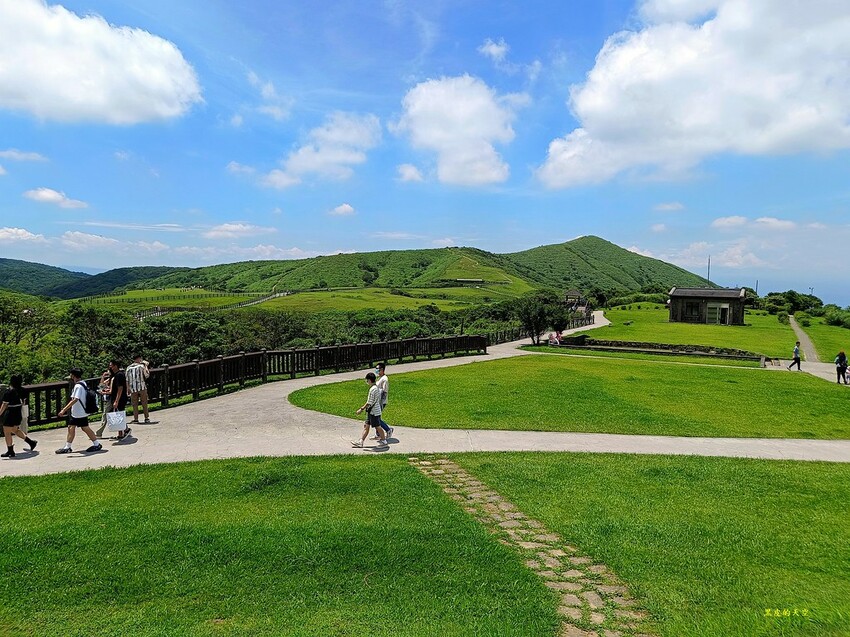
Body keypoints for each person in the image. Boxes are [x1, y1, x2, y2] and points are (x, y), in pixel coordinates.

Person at [56, 368, 102, 454]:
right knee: (73, 427)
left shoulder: (77, 386)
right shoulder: (83, 383)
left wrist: (64, 410)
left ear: (73, 376)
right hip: (79, 412)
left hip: (79, 413)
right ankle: (68, 446)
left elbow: (75, 399)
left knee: (83, 428)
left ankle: (96, 444)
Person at [1, 375, 38, 458]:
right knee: (15, 429)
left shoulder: (9, 392)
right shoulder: (23, 390)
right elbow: (24, 401)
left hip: (10, 412)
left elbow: (4, 405)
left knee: (7, 432)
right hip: (18, 412)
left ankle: (10, 451)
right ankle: (31, 442)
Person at [352, 372, 387, 448]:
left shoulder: (373, 389)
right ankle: (361, 442)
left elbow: (369, 402)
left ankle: (384, 441)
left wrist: (361, 409)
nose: (366, 382)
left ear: (369, 380)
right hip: (372, 411)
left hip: (373, 412)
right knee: (366, 426)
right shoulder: (376, 388)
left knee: (378, 426)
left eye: (367, 380)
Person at [108, 360, 131, 440]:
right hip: (117, 398)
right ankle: (120, 434)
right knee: (118, 415)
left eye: (111, 365)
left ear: (115, 366)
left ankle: (126, 429)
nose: (110, 366)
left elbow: (120, 388)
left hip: (120, 399)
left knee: (119, 415)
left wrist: (116, 401)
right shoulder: (116, 375)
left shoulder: (119, 375)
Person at [126, 355, 151, 424]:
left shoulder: (128, 368)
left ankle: (136, 418)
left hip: (133, 388)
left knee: (134, 404)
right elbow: (147, 375)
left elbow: (127, 379)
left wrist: (128, 388)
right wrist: (146, 365)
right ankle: (146, 418)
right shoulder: (141, 366)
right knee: (144, 403)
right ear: (139, 359)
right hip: (142, 387)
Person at [373, 362, 393, 440]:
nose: (376, 370)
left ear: (382, 369)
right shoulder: (380, 378)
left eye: (377, 369)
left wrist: (380, 403)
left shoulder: (385, 379)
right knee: (376, 417)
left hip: (381, 402)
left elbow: (385, 391)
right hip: (377, 402)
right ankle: (378, 434)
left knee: (376, 419)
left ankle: (388, 429)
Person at [95, 369, 112, 438]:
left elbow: (111, 391)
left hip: (110, 400)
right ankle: (125, 429)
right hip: (106, 400)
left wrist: (105, 392)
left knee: (105, 416)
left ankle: (99, 433)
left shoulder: (112, 380)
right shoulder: (107, 381)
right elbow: (101, 386)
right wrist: (102, 377)